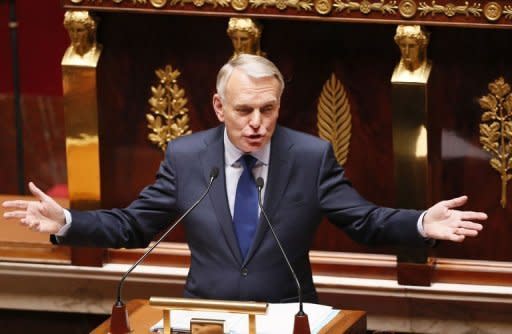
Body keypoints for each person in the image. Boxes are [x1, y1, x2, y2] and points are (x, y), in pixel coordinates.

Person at [2, 54, 486, 304]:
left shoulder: (310, 156)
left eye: (268, 109)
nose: (257, 122)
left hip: (287, 317)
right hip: (208, 320)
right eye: (244, 110)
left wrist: (421, 222)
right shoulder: (187, 156)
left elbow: (365, 221)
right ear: (219, 107)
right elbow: (133, 225)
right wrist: (67, 220)